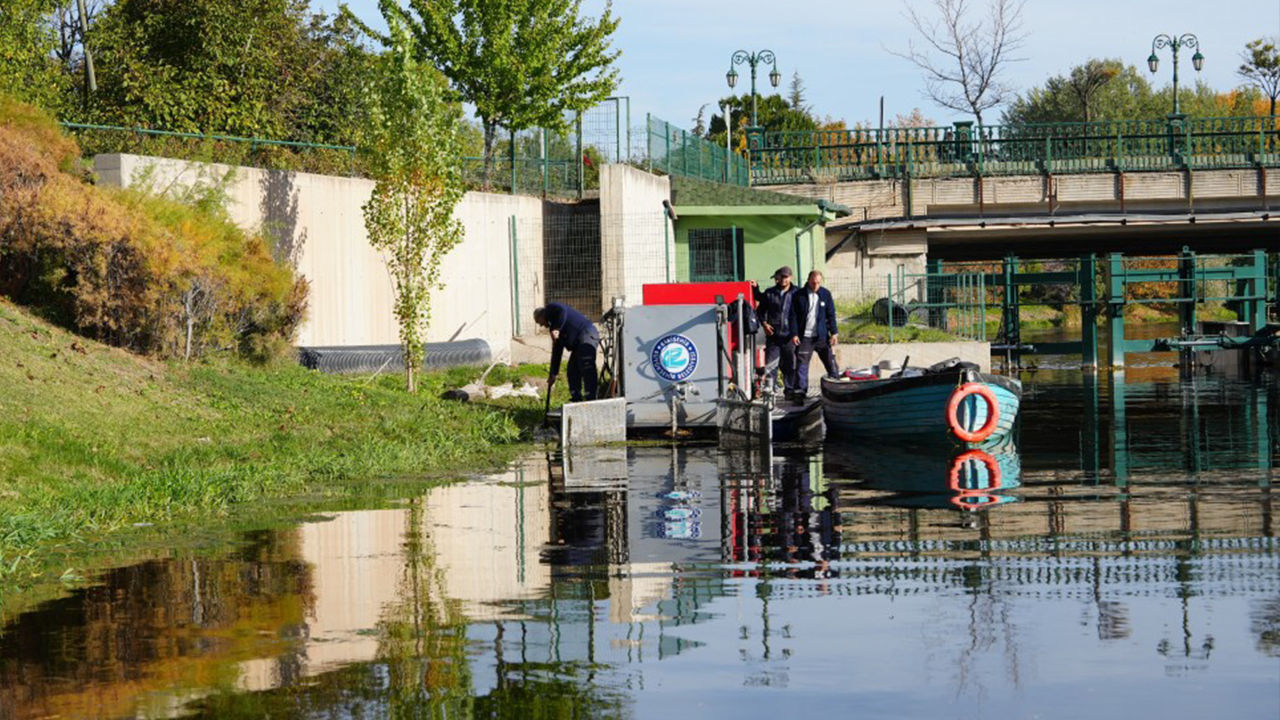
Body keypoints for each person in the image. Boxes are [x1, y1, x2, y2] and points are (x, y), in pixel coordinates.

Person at [788, 270, 840, 399]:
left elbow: (831, 314)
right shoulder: (798, 295)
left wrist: (834, 333)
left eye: (818, 283)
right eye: (813, 282)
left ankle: (836, 386)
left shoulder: (825, 294)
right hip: (805, 337)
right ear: (808, 280)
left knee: (830, 361)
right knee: (802, 365)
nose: (815, 285)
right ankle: (800, 392)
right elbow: (792, 316)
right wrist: (794, 334)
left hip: (821, 337)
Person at [533, 303, 599, 402]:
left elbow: (562, 310)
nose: (542, 325)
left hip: (586, 334)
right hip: (577, 343)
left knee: (586, 365)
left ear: (542, 315)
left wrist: (557, 328)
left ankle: (591, 397)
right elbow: (557, 351)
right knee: (572, 370)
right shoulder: (554, 327)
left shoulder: (552, 308)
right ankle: (576, 398)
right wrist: (553, 374)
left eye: (539, 322)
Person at [751, 266, 798, 398]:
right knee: (771, 365)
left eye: (786, 277)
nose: (783, 279)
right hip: (773, 335)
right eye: (781, 276)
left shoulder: (797, 293)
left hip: (789, 335)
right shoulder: (770, 292)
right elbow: (760, 310)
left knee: (790, 365)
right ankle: (770, 392)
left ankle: (789, 391)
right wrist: (764, 324)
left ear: (790, 277)